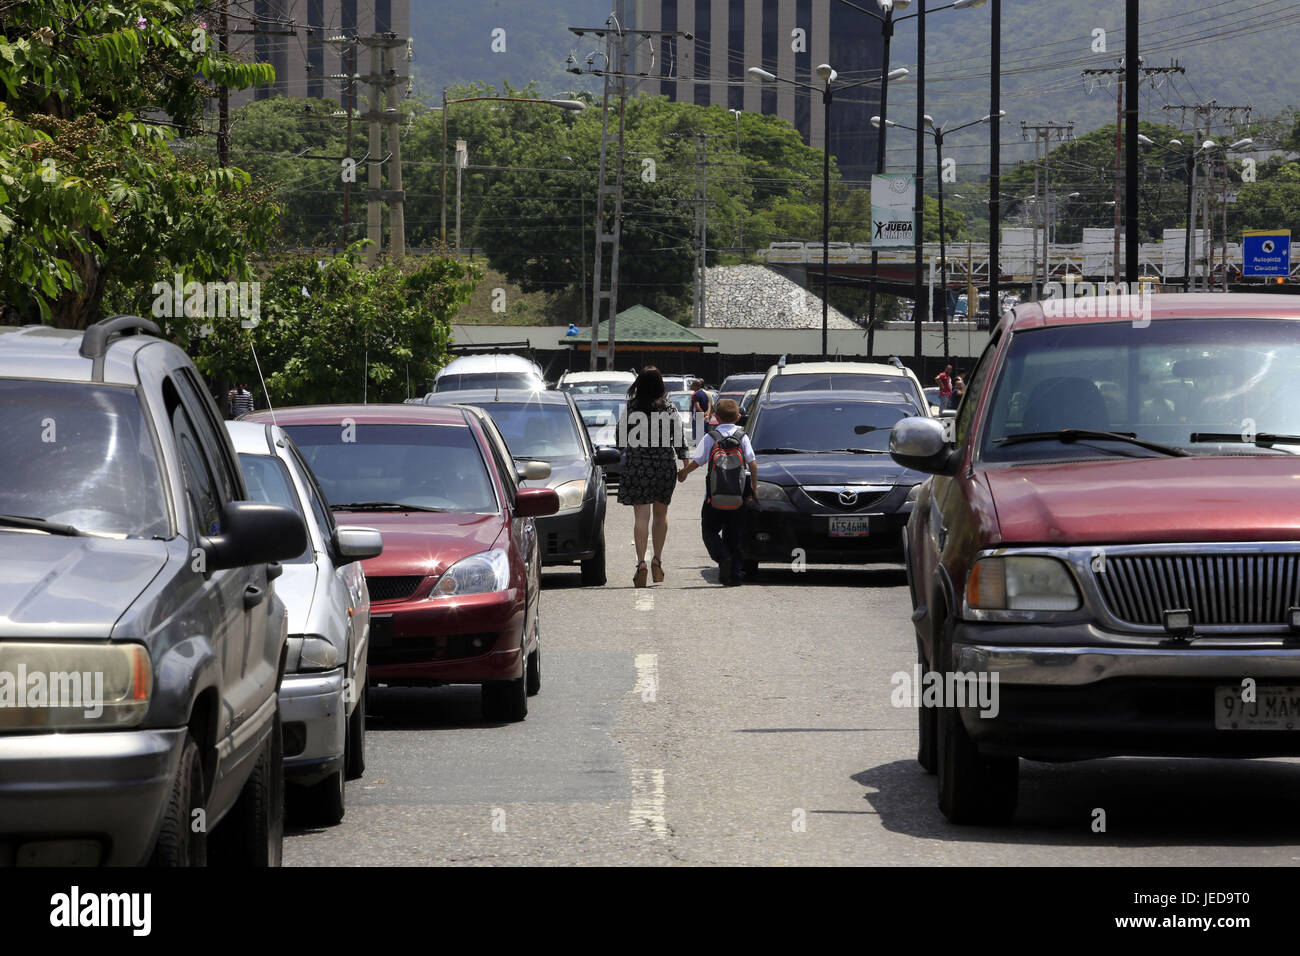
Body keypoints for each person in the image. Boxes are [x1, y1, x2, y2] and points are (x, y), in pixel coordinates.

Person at [617, 366, 688, 587]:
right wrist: (684, 463)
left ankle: (641, 564)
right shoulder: (669, 408)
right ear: (660, 385)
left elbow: (620, 439)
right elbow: (679, 438)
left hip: (638, 466)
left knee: (641, 517)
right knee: (661, 514)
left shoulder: (631, 408)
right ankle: (657, 559)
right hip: (663, 466)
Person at [677, 399, 757, 587]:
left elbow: (698, 461)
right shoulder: (742, 436)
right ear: (738, 417)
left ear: (715, 417)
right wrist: (753, 488)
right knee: (734, 534)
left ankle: (723, 558)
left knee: (709, 530)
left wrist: (683, 473)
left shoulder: (710, 437)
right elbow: (752, 463)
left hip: (714, 495)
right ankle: (734, 576)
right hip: (738, 494)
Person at [689, 378, 712, 443]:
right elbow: (709, 404)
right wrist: (707, 413)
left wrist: (703, 414)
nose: (691, 386)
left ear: (696, 386)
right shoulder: (704, 393)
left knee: (697, 437)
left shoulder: (695, 394)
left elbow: (697, 406)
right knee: (704, 435)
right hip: (705, 418)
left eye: (692, 385)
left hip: (698, 417)